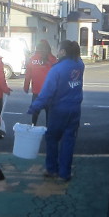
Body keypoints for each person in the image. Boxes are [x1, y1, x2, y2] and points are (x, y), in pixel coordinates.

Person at [27, 40, 84, 182]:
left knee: (52, 138)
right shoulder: (79, 65)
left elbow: (47, 92)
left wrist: (35, 106)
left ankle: (52, 169)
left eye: (59, 50)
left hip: (59, 110)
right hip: (75, 109)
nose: (57, 52)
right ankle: (65, 173)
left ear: (63, 52)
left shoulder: (57, 69)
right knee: (69, 141)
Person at [23, 40, 57, 126]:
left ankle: (33, 127)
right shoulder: (53, 60)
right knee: (49, 113)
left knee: (35, 112)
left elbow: (28, 75)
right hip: (50, 92)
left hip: (37, 91)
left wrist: (26, 87)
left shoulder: (32, 59)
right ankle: (49, 130)